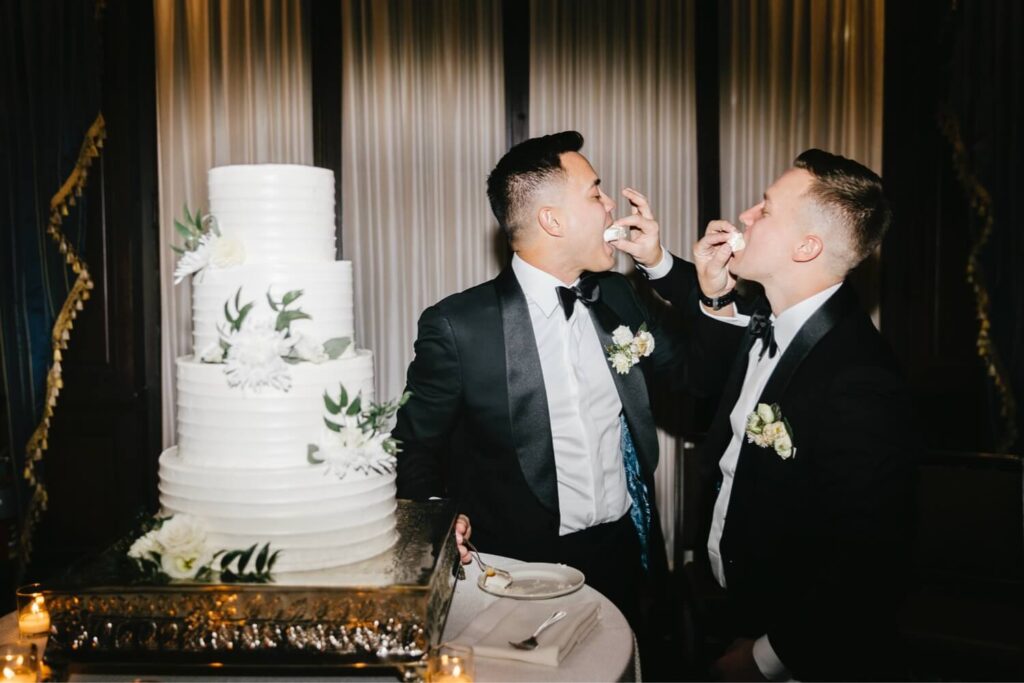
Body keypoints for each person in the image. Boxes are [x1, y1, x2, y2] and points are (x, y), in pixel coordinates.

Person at [619, 149, 917, 680]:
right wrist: (656, 257)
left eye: (766, 208)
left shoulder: (859, 379)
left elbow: (868, 563)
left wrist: (767, 659)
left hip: (795, 640)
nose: (746, 216)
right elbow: (710, 299)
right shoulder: (768, 316)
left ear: (807, 247)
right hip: (725, 602)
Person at [393, 131, 697, 629]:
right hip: (514, 569)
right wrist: (440, 519)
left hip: (624, 551)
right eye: (596, 193)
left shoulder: (620, 296)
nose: (609, 208)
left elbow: (697, 378)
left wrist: (663, 267)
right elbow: (413, 445)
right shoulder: (458, 326)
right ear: (551, 219)